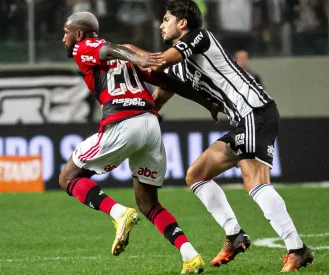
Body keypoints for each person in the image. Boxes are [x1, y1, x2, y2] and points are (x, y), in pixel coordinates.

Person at [116, 0, 314, 272]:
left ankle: (297, 249)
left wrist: (127, 51)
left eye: (166, 19)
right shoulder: (179, 62)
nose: (161, 25)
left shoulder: (198, 37)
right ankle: (234, 235)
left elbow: (159, 61)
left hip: (255, 111)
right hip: (241, 121)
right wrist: (142, 117)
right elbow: (160, 93)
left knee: (254, 181)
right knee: (196, 175)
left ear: (182, 23)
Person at [60, 11, 208, 274]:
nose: (64, 38)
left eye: (66, 32)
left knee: (68, 177)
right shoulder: (125, 57)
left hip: (123, 124)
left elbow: (106, 49)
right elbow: (166, 81)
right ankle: (190, 256)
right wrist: (206, 101)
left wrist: (135, 54)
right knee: (148, 203)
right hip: (150, 126)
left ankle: (118, 214)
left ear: (79, 33)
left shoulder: (84, 47)